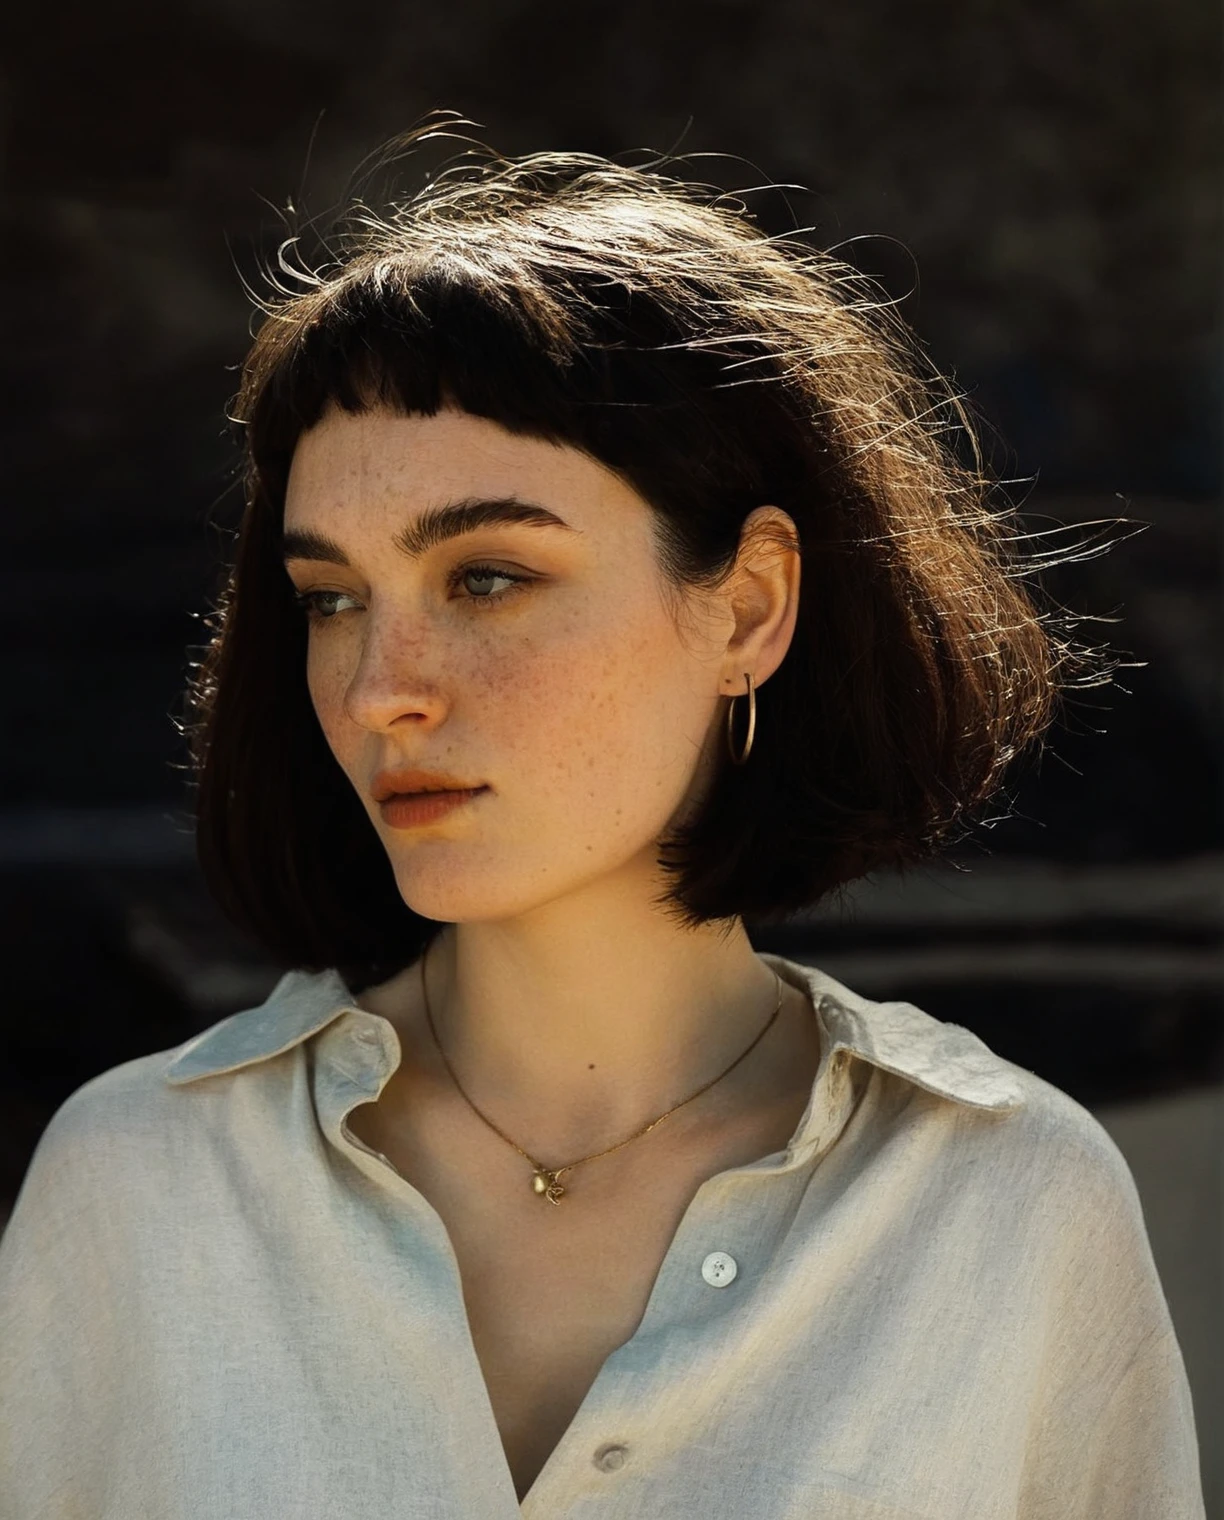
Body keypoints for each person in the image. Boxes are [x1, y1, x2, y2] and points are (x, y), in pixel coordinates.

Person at [0, 115, 1205, 1518]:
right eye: (333, 601)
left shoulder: (1008, 1207)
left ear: (749, 607)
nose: (384, 688)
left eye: (489, 578)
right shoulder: (141, 1186)